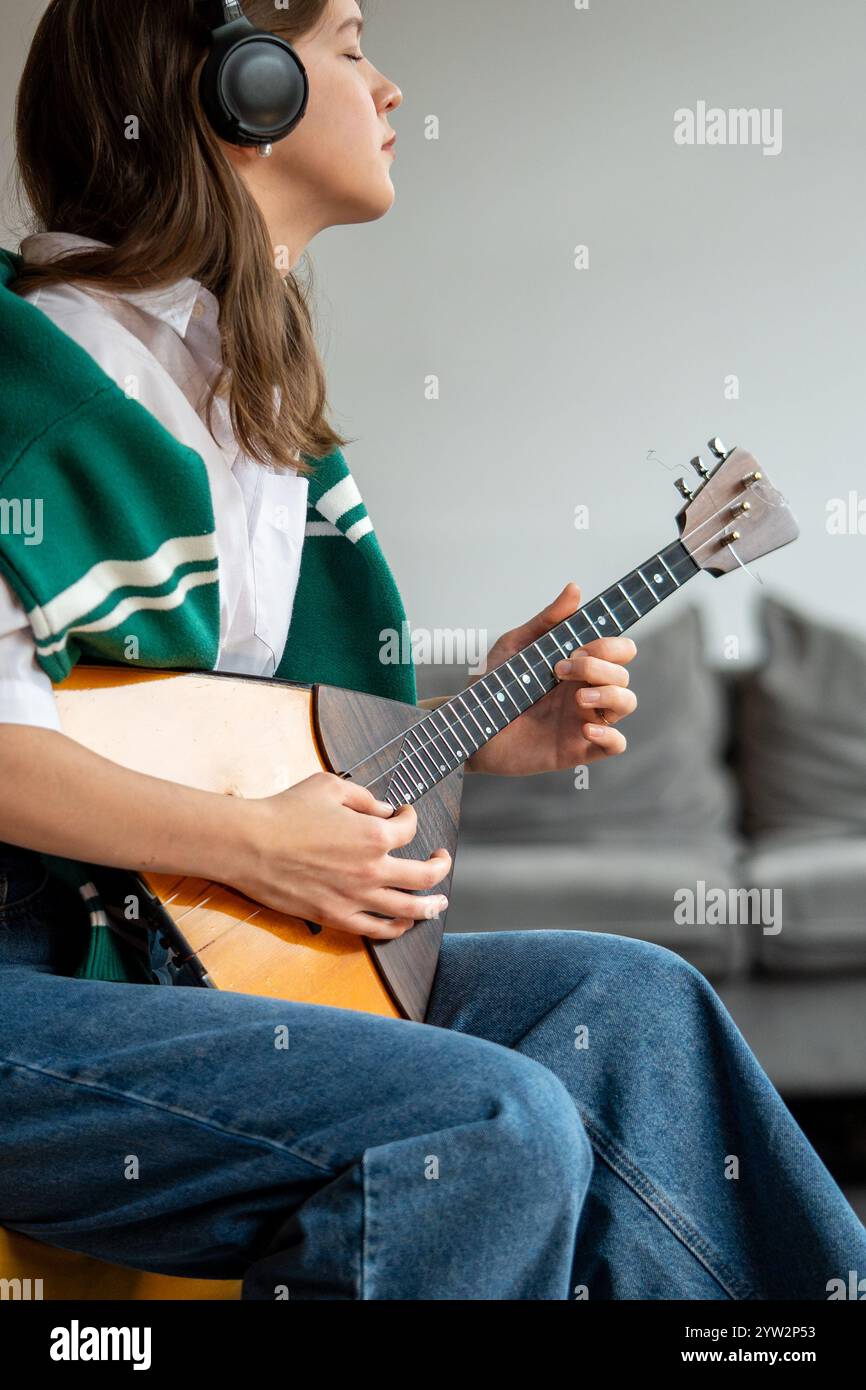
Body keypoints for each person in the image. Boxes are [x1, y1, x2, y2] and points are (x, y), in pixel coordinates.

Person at [0, 0, 862, 1301]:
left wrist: (482, 727)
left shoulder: (258, 419)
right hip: (35, 987)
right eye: (350, 44)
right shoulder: (28, 381)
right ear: (242, 87)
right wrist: (252, 845)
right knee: (485, 1124)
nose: (390, 87)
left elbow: (225, 745)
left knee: (637, 1004)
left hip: (155, 962)